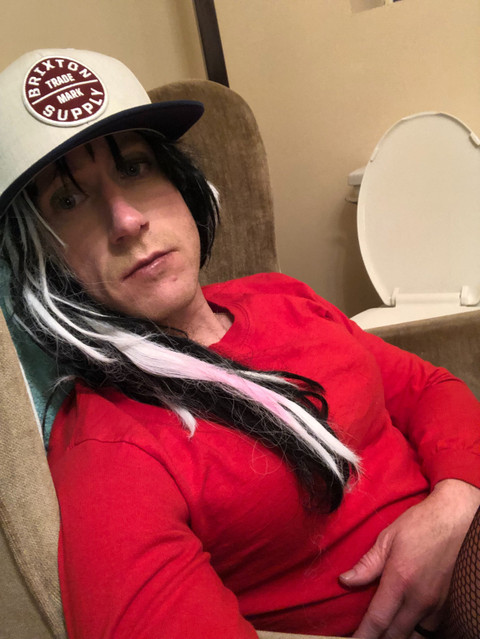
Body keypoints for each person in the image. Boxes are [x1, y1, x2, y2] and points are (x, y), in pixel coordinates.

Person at [0, 48, 479, 639]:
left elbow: (429, 388)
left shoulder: (278, 294)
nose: (125, 220)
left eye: (134, 167)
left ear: (180, 183)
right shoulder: (110, 449)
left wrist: (456, 503)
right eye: (68, 200)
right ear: (41, 259)